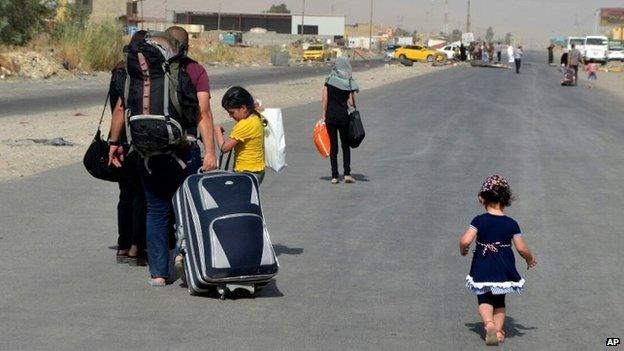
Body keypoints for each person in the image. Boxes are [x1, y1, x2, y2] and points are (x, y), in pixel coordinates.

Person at [109, 27, 218, 287]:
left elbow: (120, 109)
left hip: (148, 153)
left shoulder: (139, 70)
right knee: (187, 209)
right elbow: (203, 112)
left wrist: (114, 142)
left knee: (156, 210)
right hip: (184, 149)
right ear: (185, 46)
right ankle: (184, 255)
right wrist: (211, 151)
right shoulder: (194, 70)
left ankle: (158, 273)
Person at [459, 175, 537, 346]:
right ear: (506, 199)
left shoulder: (478, 221)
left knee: (484, 298)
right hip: (503, 268)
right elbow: (521, 248)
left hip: (482, 266)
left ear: (482, 198)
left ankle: (489, 325)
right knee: (499, 300)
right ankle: (499, 332)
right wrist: (530, 259)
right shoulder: (511, 224)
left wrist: (463, 250)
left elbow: (465, 240)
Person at [108, 30, 148, 266]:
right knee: (141, 196)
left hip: (120, 139)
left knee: (125, 195)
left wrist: (113, 142)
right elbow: (123, 109)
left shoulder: (117, 72)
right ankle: (136, 246)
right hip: (137, 140)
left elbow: (116, 109)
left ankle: (123, 245)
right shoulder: (140, 73)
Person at [214, 86, 266, 184]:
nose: (230, 116)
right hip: (258, 170)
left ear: (243, 108)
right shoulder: (255, 116)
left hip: (246, 172)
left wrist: (217, 131)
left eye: (232, 112)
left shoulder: (244, 124)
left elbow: (224, 148)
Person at [321, 56, 358, 184]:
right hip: (343, 117)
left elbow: (324, 99)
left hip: (331, 117)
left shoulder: (329, 80)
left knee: (333, 147)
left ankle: (334, 176)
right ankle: (347, 174)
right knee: (345, 146)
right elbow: (351, 102)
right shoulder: (348, 82)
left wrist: (324, 115)